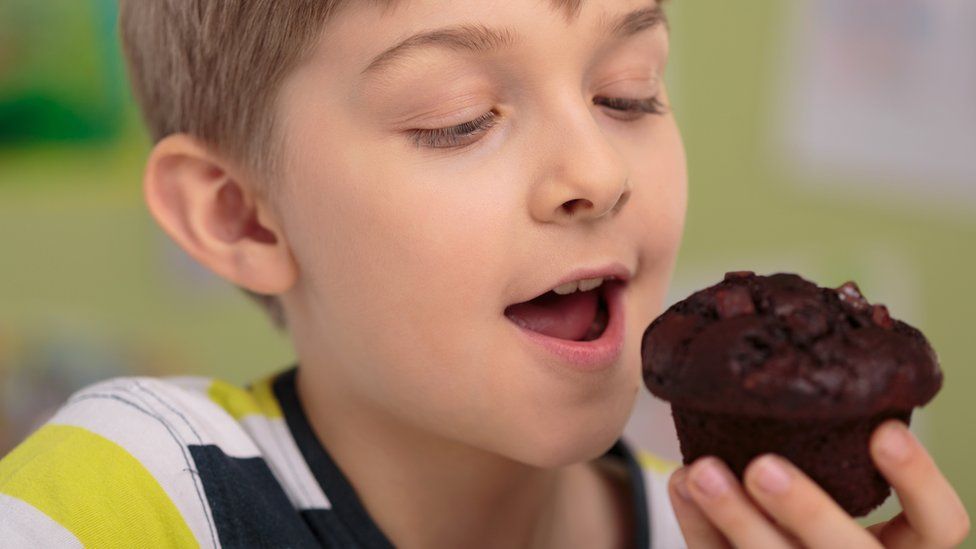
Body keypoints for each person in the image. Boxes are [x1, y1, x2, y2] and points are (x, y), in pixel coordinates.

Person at [0, 1, 969, 547]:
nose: (594, 173)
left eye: (626, 94)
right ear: (240, 213)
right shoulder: (131, 495)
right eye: (457, 118)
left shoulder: (725, 531)